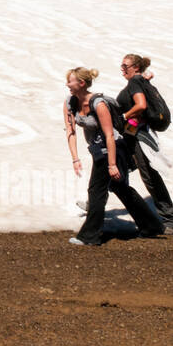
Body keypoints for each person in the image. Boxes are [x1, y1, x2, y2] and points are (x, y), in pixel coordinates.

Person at [63, 67, 164, 245]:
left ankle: (89, 236)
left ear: (81, 83)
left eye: (70, 81)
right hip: (97, 149)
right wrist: (75, 158)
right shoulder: (70, 102)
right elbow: (70, 131)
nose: (67, 84)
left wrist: (112, 164)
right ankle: (151, 226)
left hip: (113, 149)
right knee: (120, 187)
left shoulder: (98, 104)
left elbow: (110, 135)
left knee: (96, 191)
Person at [116, 53, 173, 233]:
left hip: (137, 136)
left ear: (136, 68)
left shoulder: (136, 82)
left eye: (125, 66)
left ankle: (171, 221)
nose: (122, 69)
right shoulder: (141, 80)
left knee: (150, 178)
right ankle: (95, 205)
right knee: (114, 167)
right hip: (131, 134)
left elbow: (141, 105)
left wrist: (122, 116)